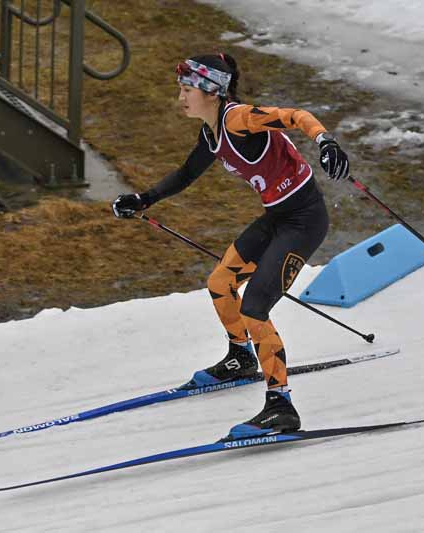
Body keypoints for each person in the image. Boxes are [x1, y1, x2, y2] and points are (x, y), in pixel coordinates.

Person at [112, 53, 350, 438]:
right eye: (181, 89)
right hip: (276, 218)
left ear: (211, 91)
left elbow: (294, 116)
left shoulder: (238, 119)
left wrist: (325, 142)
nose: (180, 97)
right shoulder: (211, 132)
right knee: (220, 283)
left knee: (255, 307)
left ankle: (281, 406)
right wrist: (143, 199)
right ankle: (241, 357)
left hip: (303, 221)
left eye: (187, 90)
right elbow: (187, 173)